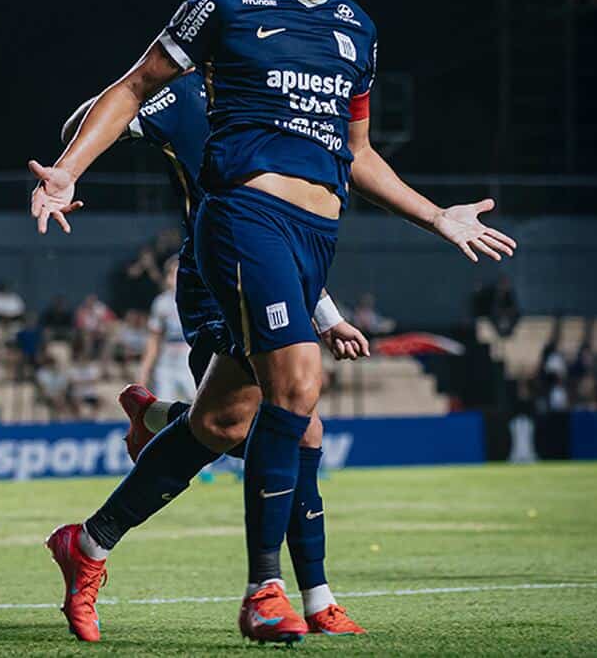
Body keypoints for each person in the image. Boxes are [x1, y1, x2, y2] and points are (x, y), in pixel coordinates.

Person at [30, 0, 515, 643]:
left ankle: (87, 543)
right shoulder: (228, 2)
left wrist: (436, 216)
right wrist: (67, 170)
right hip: (238, 222)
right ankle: (271, 592)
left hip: (313, 240)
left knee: (227, 424)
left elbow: (356, 152)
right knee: (299, 390)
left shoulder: (358, 29)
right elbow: (128, 88)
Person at [47, 70, 366, 640]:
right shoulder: (182, 92)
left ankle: (98, 530)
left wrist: (325, 311)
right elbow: (84, 122)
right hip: (219, 269)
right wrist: (69, 168)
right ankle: (297, 597)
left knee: (245, 426)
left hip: (271, 266)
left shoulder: (285, 98)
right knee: (277, 427)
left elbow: (283, 219)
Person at [136, 257, 196, 403]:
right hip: (167, 365)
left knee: (198, 405)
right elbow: (154, 339)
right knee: (164, 408)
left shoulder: (197, 299)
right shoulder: (161, 303)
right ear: (168, 278)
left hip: (190, 363)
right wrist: (144, 371)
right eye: (174, 275)